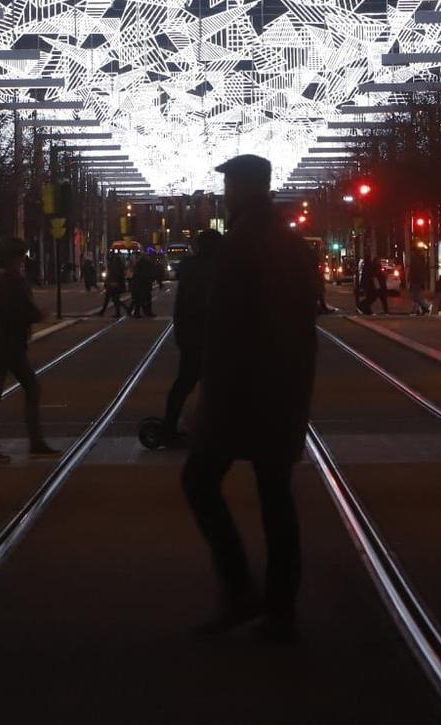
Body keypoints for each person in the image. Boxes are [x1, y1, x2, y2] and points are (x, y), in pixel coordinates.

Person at [183, 154, 318, 642]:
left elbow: (226, 328)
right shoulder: (289, 242)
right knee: (275, 497)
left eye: (228, 185)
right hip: (283, 391)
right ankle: (280, 608)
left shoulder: (241, 244)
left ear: (240, 188)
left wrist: (210, 397)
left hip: (243, 393)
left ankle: (241, 591)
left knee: (199, 481)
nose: (225, 194)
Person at [0, 238, 56, 462]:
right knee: (30, 389)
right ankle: (32, 442)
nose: (23, 261)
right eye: (20, 257)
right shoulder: (13, 281)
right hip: (10, 345)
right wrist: (39, 315)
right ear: (13, 258)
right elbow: (22, 310)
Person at [164, 228, 220, 434]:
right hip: (212, 336)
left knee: (184, 382)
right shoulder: (219, 267)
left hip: (189, 334)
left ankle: (170, 424)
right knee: (215, 383)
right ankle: (211, 425)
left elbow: (184, 303)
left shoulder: (188, 265)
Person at [130, 251, 163, 318]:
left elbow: (136, 274)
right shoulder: (148, 264)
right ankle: (147, 312)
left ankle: (138, 313)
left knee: (139, 299)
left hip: (139, 284)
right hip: (146, 284)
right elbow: (152, 273)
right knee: (146, 299)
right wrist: (158, 282)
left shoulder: (139, 264)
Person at [100, 253, 131, 318]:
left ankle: (122, 311)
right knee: (112, 299)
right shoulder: (117, 265)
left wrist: (111, 282)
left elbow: (113, 275)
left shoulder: (114, 266)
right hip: (113, 284)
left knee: (113, 299)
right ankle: (125, 309)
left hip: (113, 285)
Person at [405, 247, 431, 315]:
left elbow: (413, 271)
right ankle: (418, 309)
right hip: (419, 280)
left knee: (415, 296)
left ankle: (425, 306)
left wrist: (409, 278)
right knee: (416, 295)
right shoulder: (422, 260)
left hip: (415, 280)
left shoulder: (415, 260)